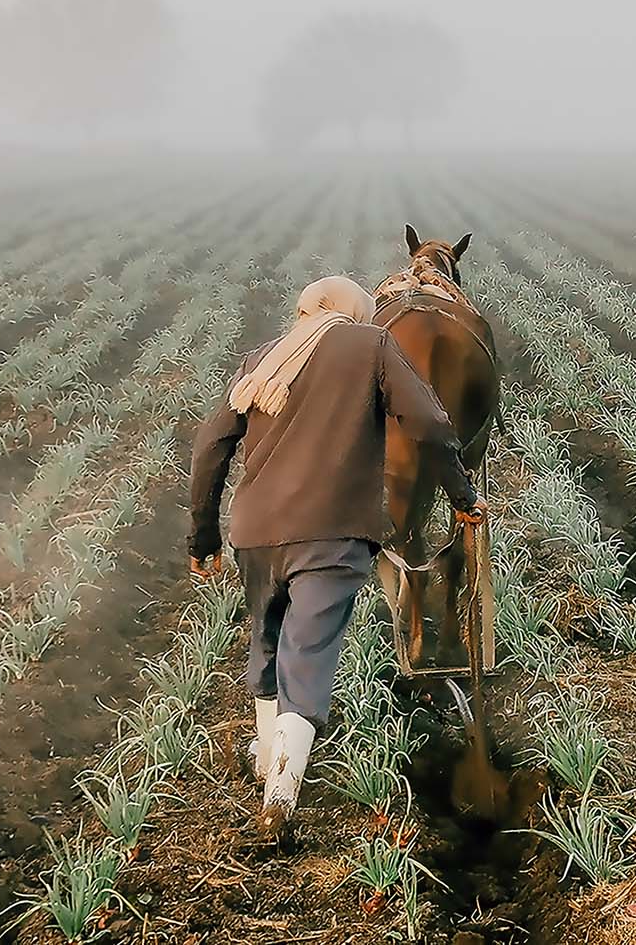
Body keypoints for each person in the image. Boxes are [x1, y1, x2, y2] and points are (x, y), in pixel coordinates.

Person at [188, 274, 481, 843]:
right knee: (310, 647)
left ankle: (266, 753)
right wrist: (462, 495)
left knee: (268, 637)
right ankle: (281, 796)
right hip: (332, 530)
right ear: (358, 314)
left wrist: (204, 538)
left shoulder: (262, 359)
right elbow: (427, 422)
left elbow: (210, 447)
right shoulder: (369, 345)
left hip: (255, 532)